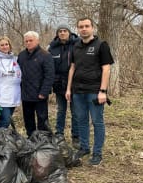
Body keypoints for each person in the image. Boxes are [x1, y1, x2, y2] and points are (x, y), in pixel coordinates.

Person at [66, 17, 114, 165]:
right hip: (78, 91)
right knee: (81, 120)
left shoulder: (101, 45)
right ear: (78, 29)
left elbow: (106, 68)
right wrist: (69, 89)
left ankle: (97, 153)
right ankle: (84, 147)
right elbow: (72, 68)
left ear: (92, 28)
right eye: (81, 27)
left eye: (87, 26)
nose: (84, 29)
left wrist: (103, 91)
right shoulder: (75, 46)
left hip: (94, 91)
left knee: (97, 122)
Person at [48, 24, 80, 148]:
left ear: (69, 32)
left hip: (74, 83)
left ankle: (76, 136)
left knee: (75, 112)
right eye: (60, 31)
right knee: (61, 110)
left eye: (64, 31)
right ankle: (59, 134)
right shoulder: (52, 47)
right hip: (58, 84)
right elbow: (50, 67)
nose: (62, 33)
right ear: (57, 34)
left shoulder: (77, 44)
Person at [17, 31, 54, 137]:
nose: (28, 43)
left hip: (40, 94)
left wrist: (44, 92)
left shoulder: (45, 55)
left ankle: (43, 139)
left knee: (42, 118)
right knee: (28, 118)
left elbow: (50, 76)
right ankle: (31, 138)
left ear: (37, 41)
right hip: (26, 94)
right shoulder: (21, 55)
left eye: (31, 40)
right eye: (26, 41)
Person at [0, 36, 21, 129]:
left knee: (7, 120)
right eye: (2, 45)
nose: (5, 46)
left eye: (6, 44)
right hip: (1, 97)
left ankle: (3, 139)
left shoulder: (15, 59)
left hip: (13, 96)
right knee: (5, 120)